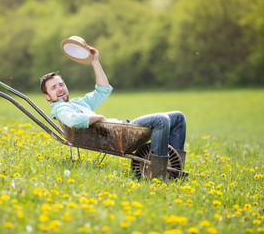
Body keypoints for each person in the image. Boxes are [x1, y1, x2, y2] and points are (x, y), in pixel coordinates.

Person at [40, 45, 186, 180]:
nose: (59, 89)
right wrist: (98, 117)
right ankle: (158, 175)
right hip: (118, 134)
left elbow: (103, 90)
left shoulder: (77, 102)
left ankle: (175, 171)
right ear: (47, 96)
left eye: (61, 84)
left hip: (122, 129)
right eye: (53, 88)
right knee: (161, 120)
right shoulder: (60, 109)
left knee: (178, 117)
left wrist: (95, 61)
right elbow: (73, 120)